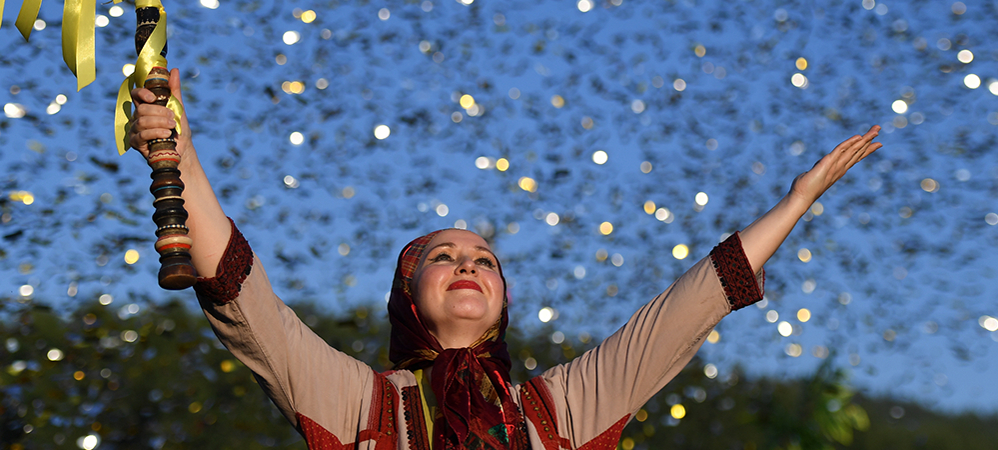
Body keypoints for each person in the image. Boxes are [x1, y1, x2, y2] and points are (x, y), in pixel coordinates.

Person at [129, 69, 881, 450]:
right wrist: (179, 149)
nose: (466, 264)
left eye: (483, 259)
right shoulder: (360, 405)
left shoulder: (555, 411)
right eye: (443, 256)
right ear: (407, 296)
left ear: (502, 296)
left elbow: (688, 307)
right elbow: (240, 293)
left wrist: (794, 202)